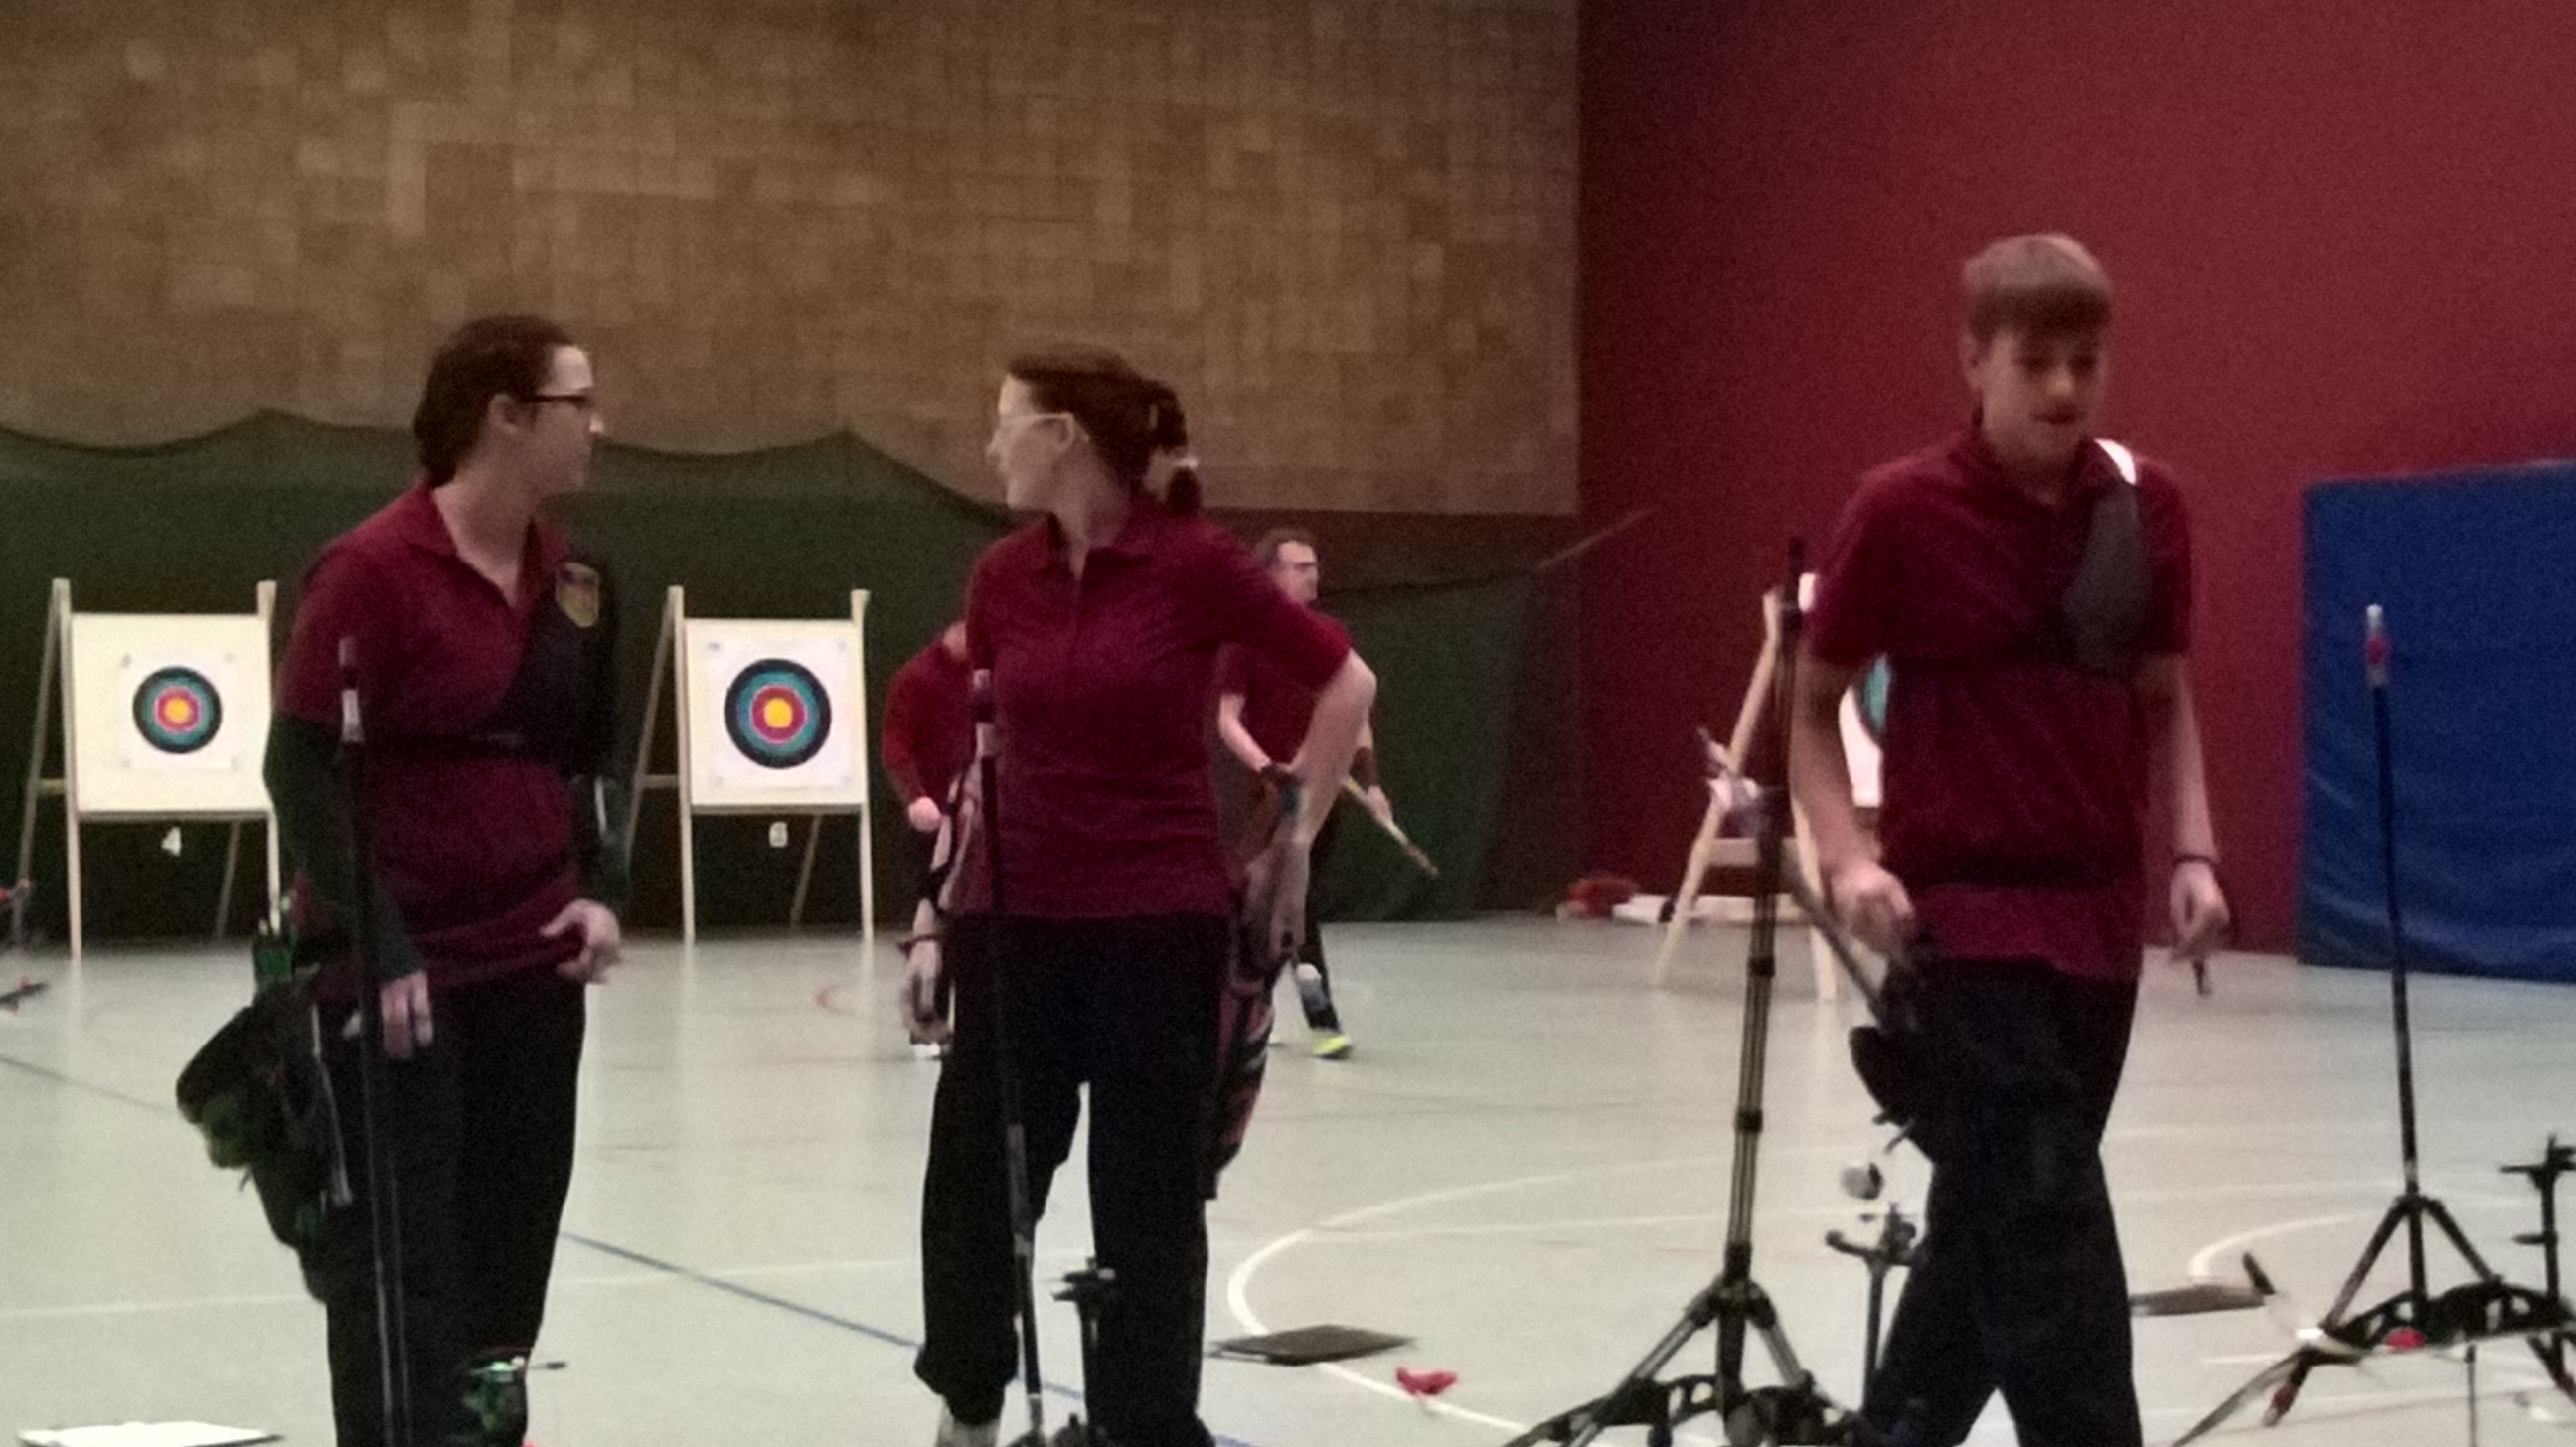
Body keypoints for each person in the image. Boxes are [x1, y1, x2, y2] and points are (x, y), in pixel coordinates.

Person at [1788, 235, 2228, 1447]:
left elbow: (2165, 697)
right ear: (1973, 360)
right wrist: (1849, 856)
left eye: (2087, 361)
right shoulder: (1899, 511)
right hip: (1965, 930)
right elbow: (1811, 710)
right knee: (2050, 1229)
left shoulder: (2147, 509)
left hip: (2099, 929)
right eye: (2036, 361)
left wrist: (2195, 853)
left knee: (1994, 1227)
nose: (2065, 388)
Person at [898, 347, 1375, 1447]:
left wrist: (1293, 839)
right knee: (974, 1188)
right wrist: (930, 916)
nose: (991, 443)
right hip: (1012, 922)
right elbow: (980, 761)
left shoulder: (1193, 561)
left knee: (1149, 1201)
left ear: (1064, 436)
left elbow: (1347, 679)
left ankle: (1140, 1426)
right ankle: (969, 1408)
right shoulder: (1002, 576)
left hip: (1156, 930)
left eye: (1007, 421)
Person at [265, 314, 625, 1446]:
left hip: (534, 965)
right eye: (578, 403)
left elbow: (593, 758)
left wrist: (604, 889)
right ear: (504, 416)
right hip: (398, 979)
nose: (598, 425)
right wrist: (381, 945)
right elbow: (298, 766)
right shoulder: (371, 569)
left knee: (509, 1262)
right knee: (398, 1271)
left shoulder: (578, 580)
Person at [1214, 528, 1398, 1060]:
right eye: (1299, 567)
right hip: (1275, 798)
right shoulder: (1247, 639)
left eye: (1314, 566)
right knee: (1293, 903)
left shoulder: (1331, 637)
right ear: (1270, 574)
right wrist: (1267, 767)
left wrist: (1371, 783)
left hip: (1325, 796)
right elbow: (1227, 718)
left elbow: (1356, 717)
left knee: (1288, 906)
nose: (1312, 575)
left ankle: (1253, 1007)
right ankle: (1322, 1019)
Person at [883, 619, 975, 841]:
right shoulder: (917, 677)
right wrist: (916, 797)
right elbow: (895, 744)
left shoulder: (985, 672)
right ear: (956, 629)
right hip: (933, 815)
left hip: (977, 811)